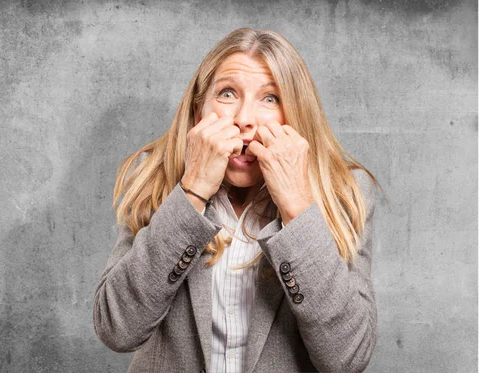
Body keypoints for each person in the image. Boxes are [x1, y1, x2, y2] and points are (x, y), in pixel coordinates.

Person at [93, 28, 379, 373]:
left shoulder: (345, 191)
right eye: (227, 93)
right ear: (199, 109)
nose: (245, 119)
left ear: (297, 114)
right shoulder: (156, 178)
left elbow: (347, 360)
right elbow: (117, 330)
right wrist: (192, 191)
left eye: (270, 98)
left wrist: (297, 206)